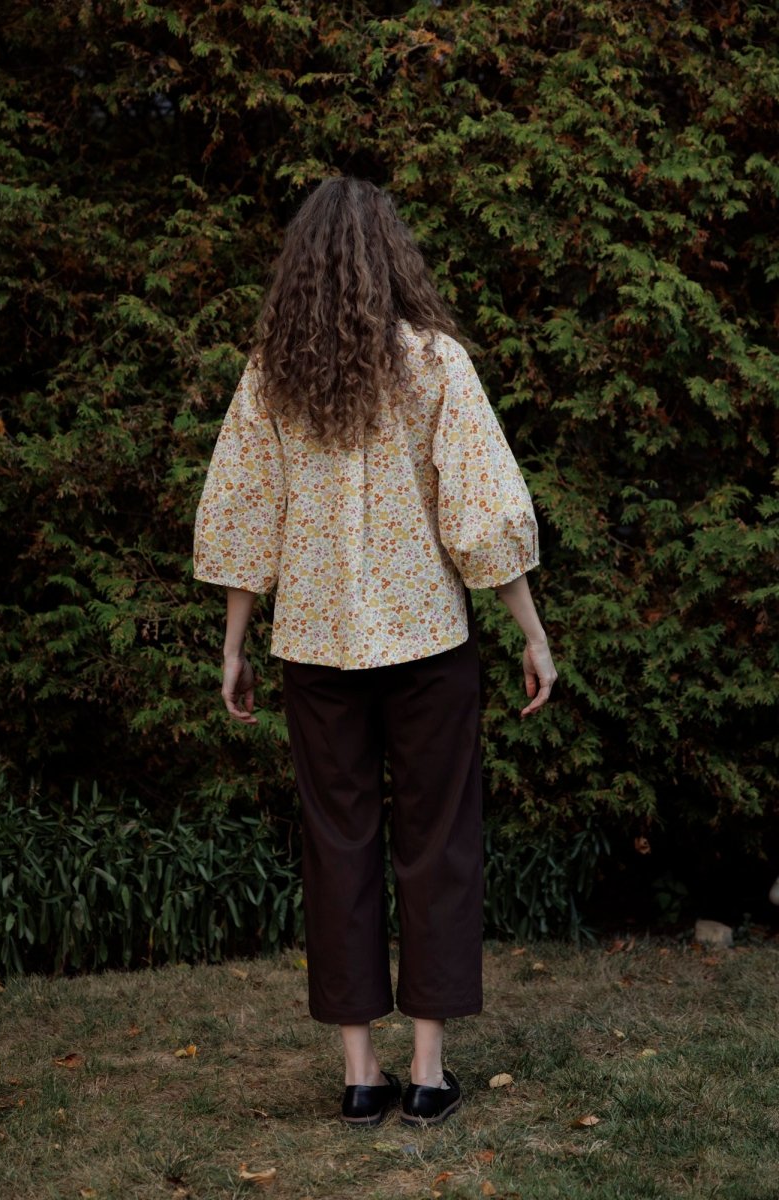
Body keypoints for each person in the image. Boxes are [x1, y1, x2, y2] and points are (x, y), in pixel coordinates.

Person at [193, 176, 558, 1128]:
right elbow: (483, 514)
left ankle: (361, 1076)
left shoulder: (274, 372)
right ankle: (427, 1074)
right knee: (438, 844)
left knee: (338, 844)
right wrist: (531, 632)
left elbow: (243, 513)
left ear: (302, 263)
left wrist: (234, 644)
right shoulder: (437, 362)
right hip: (430, 643)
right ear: (393, 257)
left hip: (315, 649)